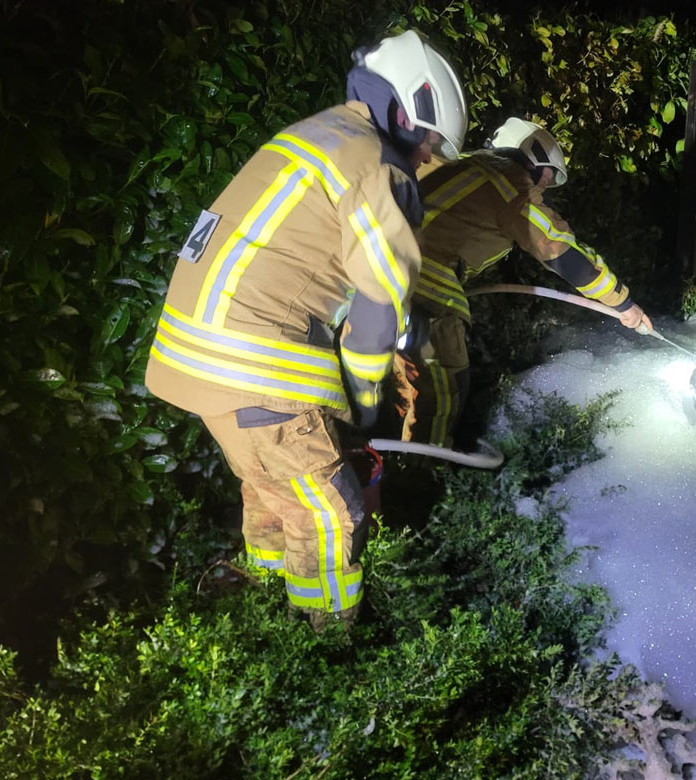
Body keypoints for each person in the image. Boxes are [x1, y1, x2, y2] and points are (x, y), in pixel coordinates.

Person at [144, 30, 466, 629]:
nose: (427, 159)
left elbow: (306, 267)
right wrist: (367, 401)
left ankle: (261, 618)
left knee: (272, 495)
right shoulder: (377, 166)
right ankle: (324, 652)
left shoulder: (316, 137)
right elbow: (375, 301)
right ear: (406, 112)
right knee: (331, 513)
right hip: (254, 366)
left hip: (196, 357)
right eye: (429, 143)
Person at [395, 117, 653, 447]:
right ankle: (424, 469)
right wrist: (623, 302)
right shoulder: (509, 184)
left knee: (407, 379)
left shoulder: (460, 165)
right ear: (527, 158)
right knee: (445, 382)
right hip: (423, 284)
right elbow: (561, 252)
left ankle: (394, 457)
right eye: (542, 180)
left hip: (371, 271)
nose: (541, 191)